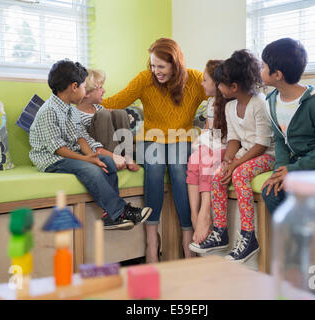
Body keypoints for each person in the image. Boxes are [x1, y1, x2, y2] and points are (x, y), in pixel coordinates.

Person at [101, 38, 207, 263]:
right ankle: (152, 240)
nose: (155, 71)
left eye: (161, 66)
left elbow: (219, 93)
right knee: (156, 168)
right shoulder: (145, 79)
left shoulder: (195, 79)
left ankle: (187, 239)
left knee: (179, 169)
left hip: (182, 137)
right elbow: (118, 100)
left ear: (175, 64)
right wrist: (88, 102)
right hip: (151, 137)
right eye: (152, 65)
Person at [29, 59, 152, 231]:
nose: (83, 90)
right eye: (82, 86)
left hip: (69, 153)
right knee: (90, 169)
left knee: (107, 163)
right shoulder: (49, 110)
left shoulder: (70, 109)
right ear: (74, 87)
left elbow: (80, 137)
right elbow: (58, 148)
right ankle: (121, 211)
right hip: (52, 159)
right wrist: (86, 159)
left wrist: (93, 156)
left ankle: (111, 216)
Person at [189, 50, 275, 262]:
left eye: (220, 84)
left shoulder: (259, 104)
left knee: (239, 175)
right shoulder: (230, 106)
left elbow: (262, 143)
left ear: (234, 87)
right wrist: (228, 162)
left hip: (267, 154)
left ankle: (248, 236)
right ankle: (220, 231)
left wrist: (236, 164)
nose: (218, 87)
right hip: (246, 152)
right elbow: (234, 140)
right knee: (218, 175)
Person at [260, 38, 315, 215]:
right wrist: (280, 171)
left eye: (263, 67)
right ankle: (293, 239)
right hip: (303, 158)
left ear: (277, 75)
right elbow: (280, 140)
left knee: (299, 189)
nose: (259, 71)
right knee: (271, 192)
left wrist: (293, 169)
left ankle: (307, 239)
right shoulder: (271, 101)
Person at [186, 60, 229, 244]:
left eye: (205, 80)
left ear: (217, 83)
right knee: (193, 159)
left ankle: (204, 213)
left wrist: (209, 146)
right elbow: (207, 129)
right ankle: (194, 215)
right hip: (212, 143)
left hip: (226, 147)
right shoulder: (210, 102)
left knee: (207, 159)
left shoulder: (229, 103)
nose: (202, 83)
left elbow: (227, 137)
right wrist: (201, 142)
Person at [76, 68, 139, 172]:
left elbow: (112, 130)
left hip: (114, 144)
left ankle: (128, 156)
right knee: (103, 114)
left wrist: (112, 116)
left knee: (120, 113)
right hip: (99, 149)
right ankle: (114, 158)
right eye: (100, 88)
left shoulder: (100, 108)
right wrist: (103, 116)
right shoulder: (75, 114)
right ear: (86, 93)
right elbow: (83, 141)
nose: (104, 91)